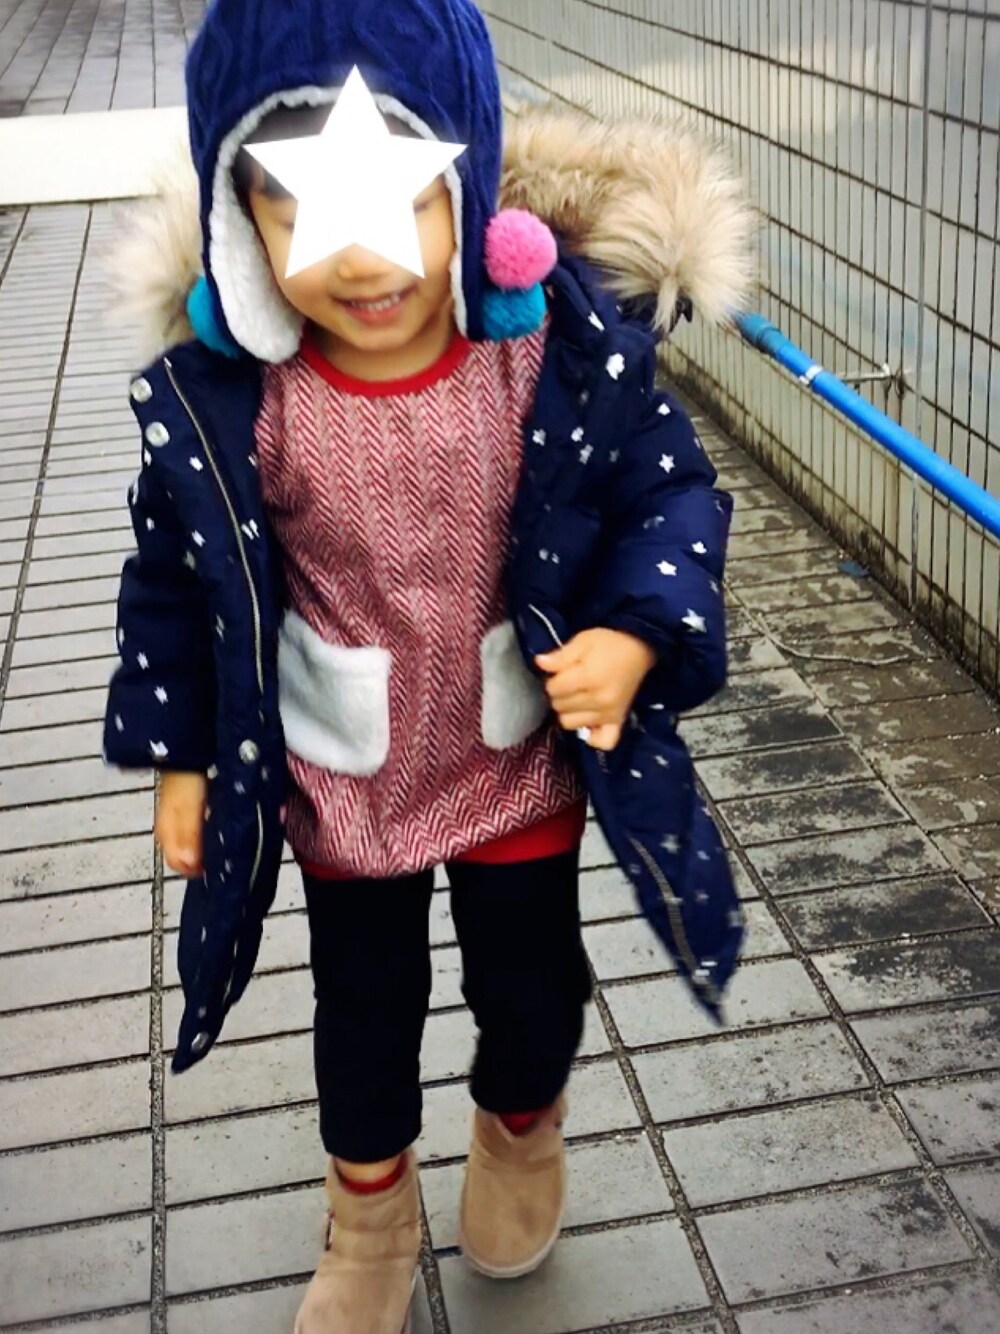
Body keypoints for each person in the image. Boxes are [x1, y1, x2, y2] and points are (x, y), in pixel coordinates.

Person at [103, 1, 755, 1329]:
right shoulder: (245, 401)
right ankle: (369, 1211)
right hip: (347, 784)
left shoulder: (548, 357)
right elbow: (172, 579)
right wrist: (180, 757)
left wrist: (634, 634)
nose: (362, 256)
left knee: (530, 988)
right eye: (298, 209)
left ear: (472, 196)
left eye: (406, 200)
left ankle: (520, 1130)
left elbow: (669, 494)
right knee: (363, 1010)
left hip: (515, 766)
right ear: (240, 224)